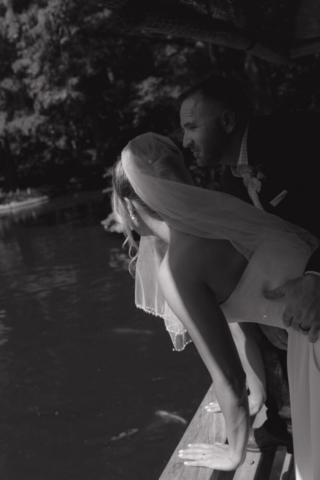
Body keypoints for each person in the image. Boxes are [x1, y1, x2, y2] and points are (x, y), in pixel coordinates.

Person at [112, 132, 319, 479]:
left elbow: (227, 378)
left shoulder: (178, 268)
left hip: (312, 337)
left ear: (132, 205)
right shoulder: (221, 214)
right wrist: (257, 394)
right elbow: (240, 331)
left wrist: (234, 453)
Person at [179, 76, 320, 451]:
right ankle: (284, 422)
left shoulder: (296, 136)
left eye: (192, 126)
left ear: (227, 121)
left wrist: (315, 278)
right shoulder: (230, 182)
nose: (185, 141)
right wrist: (266, 315)